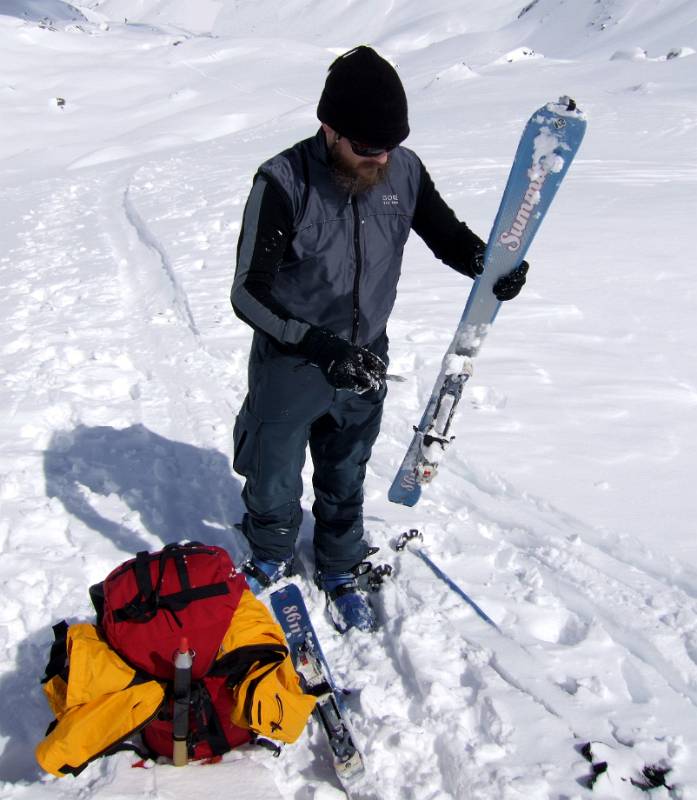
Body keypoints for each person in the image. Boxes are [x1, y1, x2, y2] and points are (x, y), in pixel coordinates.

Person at [230, 45, 528, 633]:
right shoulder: (283, 181)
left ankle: (339, 562)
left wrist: (490, 266)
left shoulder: (403, 170)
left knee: (347, 468)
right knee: (274, 471)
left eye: (388, 145)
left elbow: (445, 234)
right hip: (294, 355)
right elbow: (247, 292)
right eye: (367, 147)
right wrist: (316, 345)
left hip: (366, 355)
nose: (380, 158)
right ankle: (270, 555)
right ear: (329, 128)